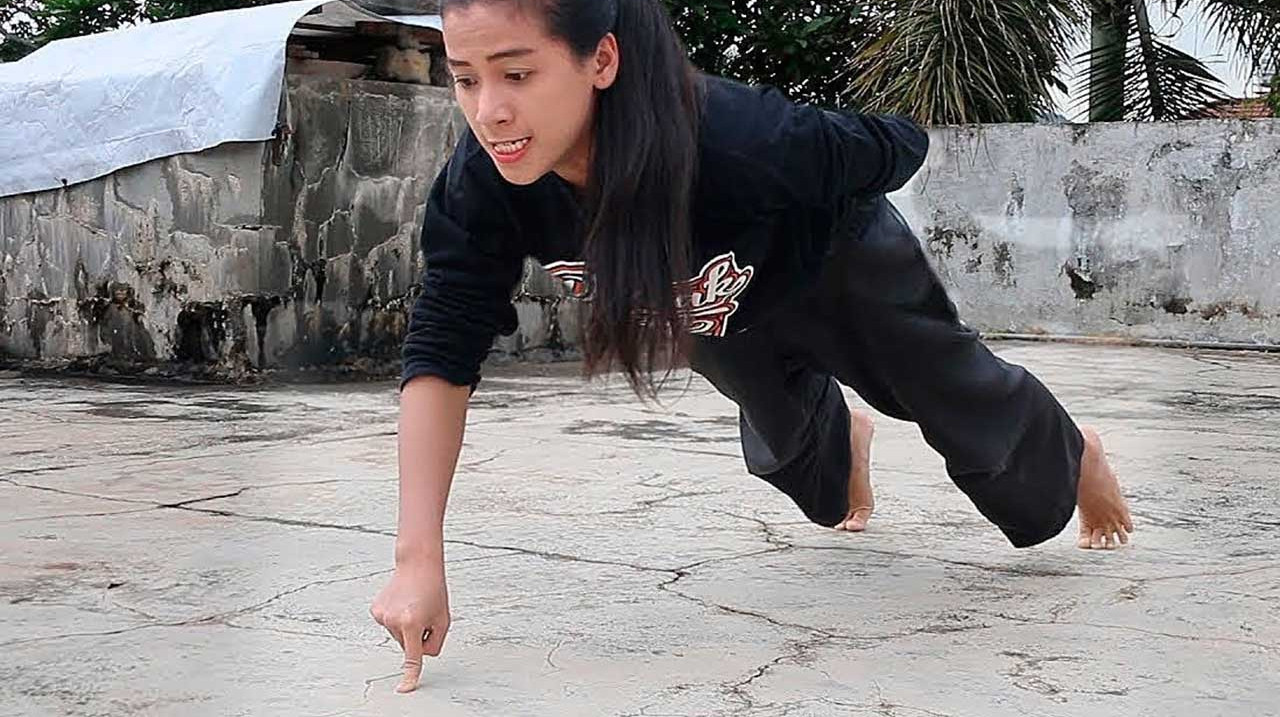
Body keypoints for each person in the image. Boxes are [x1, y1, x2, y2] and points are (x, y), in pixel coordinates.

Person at [370, 0, 1135, 694]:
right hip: (719, 308)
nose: (490, 112)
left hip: (840, 268)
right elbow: (441, 350)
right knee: (805, 477)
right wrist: (417, 561)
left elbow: (896, 146)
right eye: (465, 80)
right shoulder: (483, 184)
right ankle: (845, 433)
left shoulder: (737, 135)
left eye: (517, 74)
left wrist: (844, 168)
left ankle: (1076, 450)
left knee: (968, 414)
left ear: (600, 61)